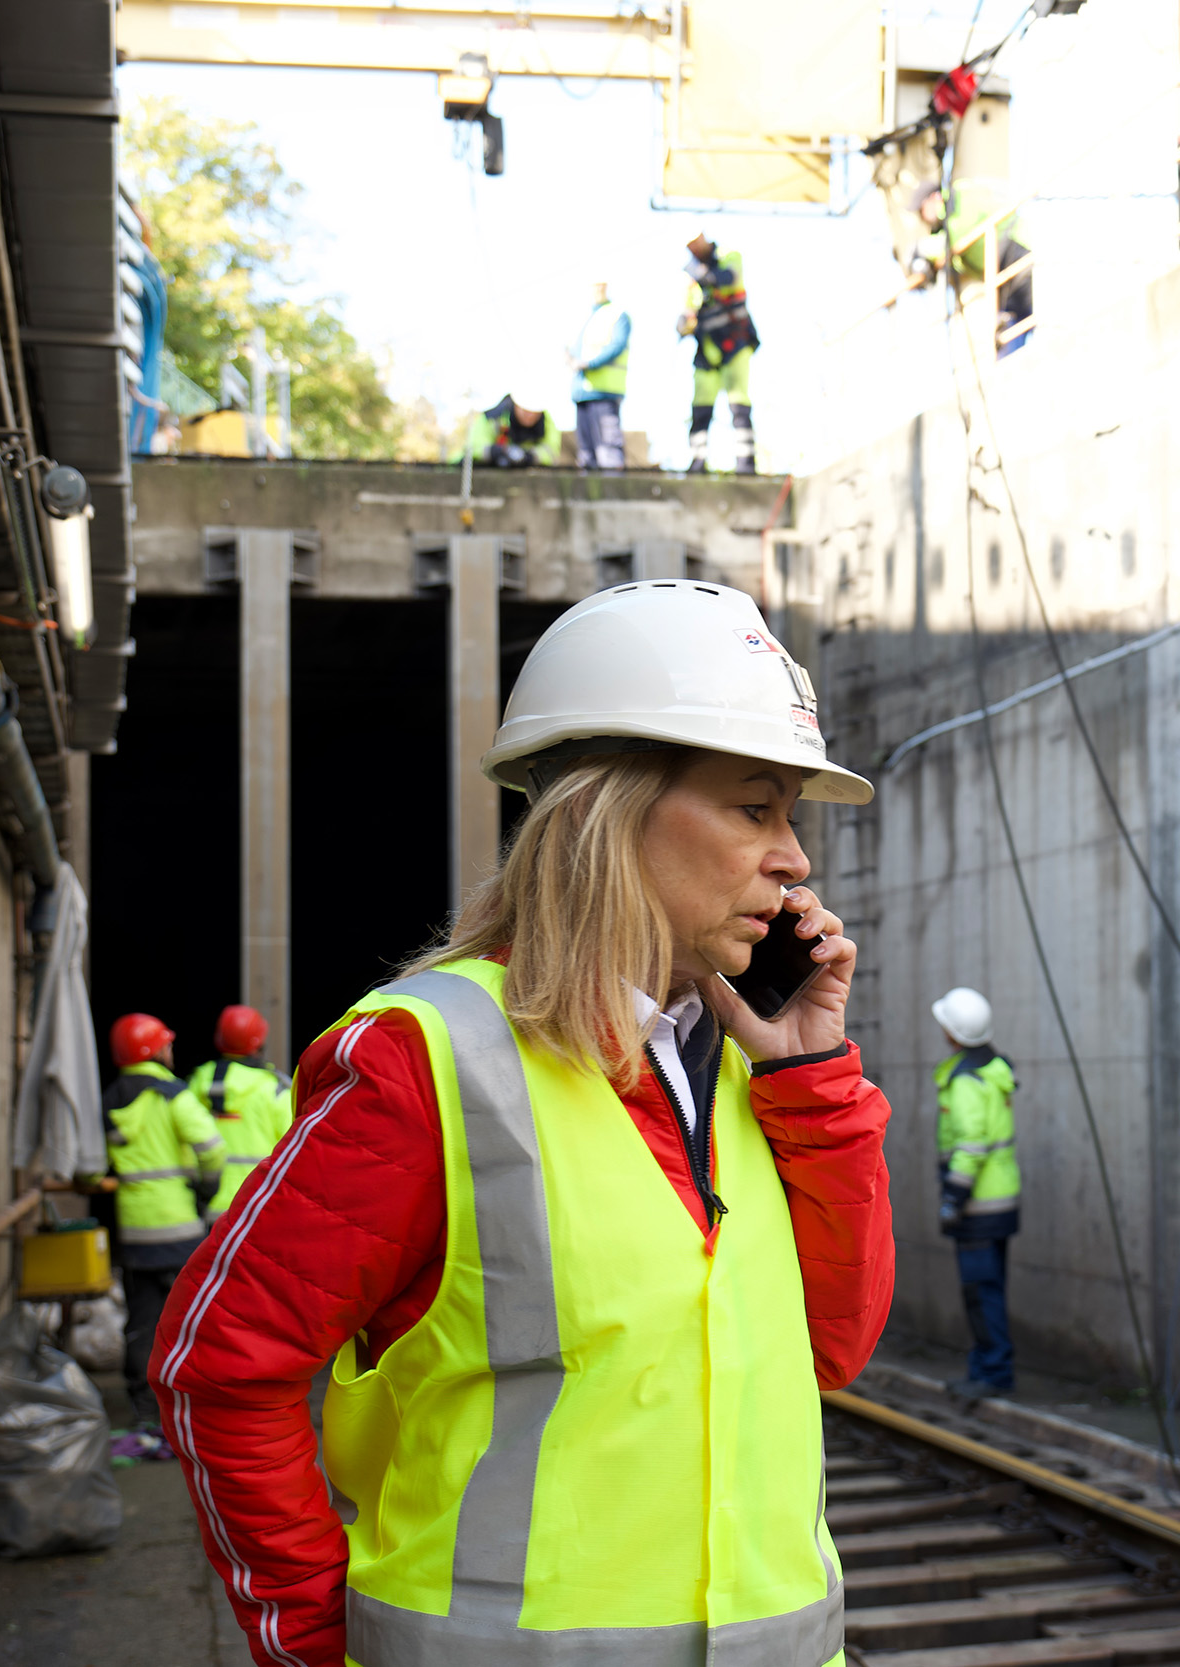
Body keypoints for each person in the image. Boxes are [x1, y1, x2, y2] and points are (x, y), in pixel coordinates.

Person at [154, 580, 894, 1667]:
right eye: (754, 806)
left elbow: (832, 1348)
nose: (796, 859)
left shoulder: (745, 1059)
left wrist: (814, 1078)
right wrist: (314, 1643)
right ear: (609, 810)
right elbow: (220, 1366)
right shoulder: (425, 1060)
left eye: (790, 813)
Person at [103, 1012, 225, 1457]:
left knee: (141, 1321)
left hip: (135, 1230)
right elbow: (211, 1146)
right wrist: (206, 1186)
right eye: (165, 1044)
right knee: (193, 1320)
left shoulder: (111, 1098)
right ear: (153, 1050)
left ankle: (143, 1411)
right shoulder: (173, 1094)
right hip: (179, 1228)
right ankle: (194, 1404)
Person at [932, 986, 1019, 1398]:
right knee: (991, 1287)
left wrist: (954, 1197)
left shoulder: (965, 1080)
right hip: (1002, 1198)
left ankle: (992, 1372)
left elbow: (971, 1143)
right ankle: (992, 1366)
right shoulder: (994, 1069)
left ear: (953, 1033)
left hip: (979, 1205)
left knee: (980, 1290)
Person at [190, 1004, 293, 1225]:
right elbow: (294, 1148)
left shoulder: (200, 1080)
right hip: (256, 1204)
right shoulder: (274, 1087)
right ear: (260, 1039)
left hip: (206, 1205)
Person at [908, 181, 1035, 357]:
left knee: (1021, 318)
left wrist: (921, 249)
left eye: (922, 211)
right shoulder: (949, 217)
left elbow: (959, 234)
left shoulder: (961, 197)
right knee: (1009, 330)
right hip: (1001, 272)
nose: (922, 218)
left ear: (934, 198)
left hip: (1016, 251)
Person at [678, 234, 759, 473]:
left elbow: (728, 279)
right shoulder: (692, 281)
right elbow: (686, 312)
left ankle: (746, 465)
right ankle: (698, 462)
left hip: (735, 344)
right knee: (701, 408)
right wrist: (683, 324)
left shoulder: (728, 256)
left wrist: (701, 274)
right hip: (707, 350)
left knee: (738, 405)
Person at [567, 280, 631, 472]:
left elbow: (616, 346)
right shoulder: (586, 317)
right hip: (582, 393)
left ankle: (612, 499)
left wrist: (589, 364)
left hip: (604, 392)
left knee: (608, 453)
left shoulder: (617, 315)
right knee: (586, 456)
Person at [445, 394, 562, 467]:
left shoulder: (547, 422)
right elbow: (472, 448)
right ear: (516, 405)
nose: (530, 415)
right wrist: (495, 452)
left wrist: (528, 456)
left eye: (534, 412)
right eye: (525, 410)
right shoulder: (491, 417)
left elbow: (551, 451)